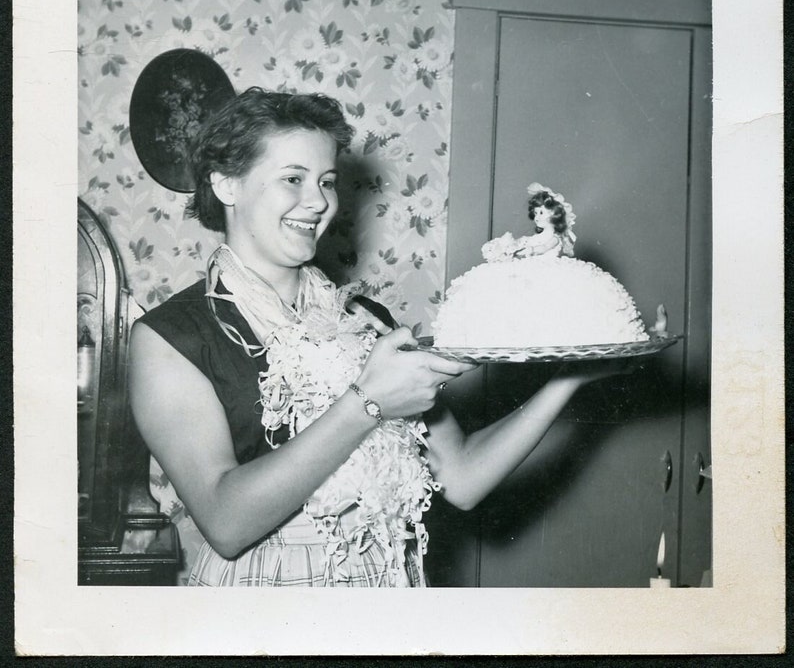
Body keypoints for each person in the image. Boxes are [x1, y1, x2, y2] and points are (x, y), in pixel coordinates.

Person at [129, 88, 619, 587]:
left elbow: (462, 477)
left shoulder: (364, 319)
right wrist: (368, 402)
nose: (319, 201)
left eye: (326, 181)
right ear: (227, 184)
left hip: (385, 584)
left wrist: (569, 378)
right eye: (293, 179)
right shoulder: (169, 338)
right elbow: (226, 523)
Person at [482, 182, 577, 262]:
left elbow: (544, 248)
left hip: (545, 270)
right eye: (535, 213)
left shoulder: (555, 238)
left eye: (541, 213)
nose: (537, 217)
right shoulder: (536, 237)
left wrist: (531, 250)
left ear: (553, 213)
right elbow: (525, 243)